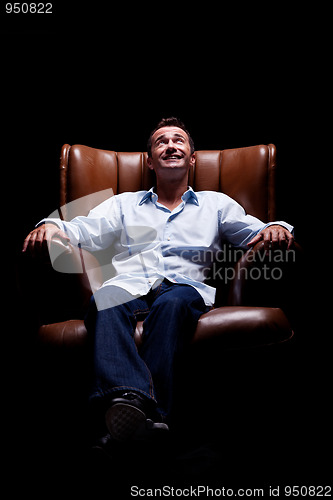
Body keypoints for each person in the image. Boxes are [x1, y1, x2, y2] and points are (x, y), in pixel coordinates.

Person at [22, 117, 294, 445]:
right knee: (104, 300)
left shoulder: (216, 204)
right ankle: (148, 417)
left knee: (171, 304)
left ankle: (128, 415)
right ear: (150, 161)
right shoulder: (123, 204)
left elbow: (257, 231)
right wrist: (52, 226)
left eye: (178, 140)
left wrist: (278, 227)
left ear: (192, 158)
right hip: (130, 283)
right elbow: (83, 229)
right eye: (161, 142)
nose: (170, 145)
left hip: (184, 288)